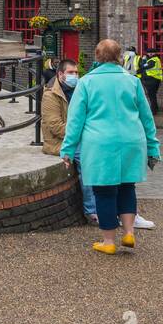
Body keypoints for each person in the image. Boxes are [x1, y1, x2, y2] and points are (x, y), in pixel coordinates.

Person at [60, 39, 160, 255]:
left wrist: (68, 149)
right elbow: (147, 117)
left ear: (97, 56)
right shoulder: (133, 81)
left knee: (103, 191)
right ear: (120, 57)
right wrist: (153, 147)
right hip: (132, 141)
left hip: (100, 144)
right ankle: (129, 232)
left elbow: (75, 121)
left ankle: (108, 241)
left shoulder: (86, 83)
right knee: (126, 187)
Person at [41, 58, 95, 221]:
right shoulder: (51, 95)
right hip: (60, 141)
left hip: (78, 137)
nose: (75, 76)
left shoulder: (79, 90)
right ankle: (91, 209)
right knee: (86, 159)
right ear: (60, 75)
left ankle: (117, 206)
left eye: (77, 73)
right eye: (71, 73)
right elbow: (55, 127)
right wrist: (83, 134)